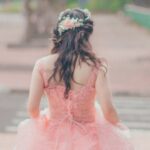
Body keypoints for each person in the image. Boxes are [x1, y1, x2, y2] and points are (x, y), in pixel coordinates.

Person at [14, 8, 135, 150]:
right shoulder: (96, 66)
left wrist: (46, 120)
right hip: (88, 138)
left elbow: (32, 109)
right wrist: (118, 125)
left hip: (51, 139)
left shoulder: (41, 65)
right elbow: (108, 110)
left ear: (59, 33)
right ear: (86, 34)